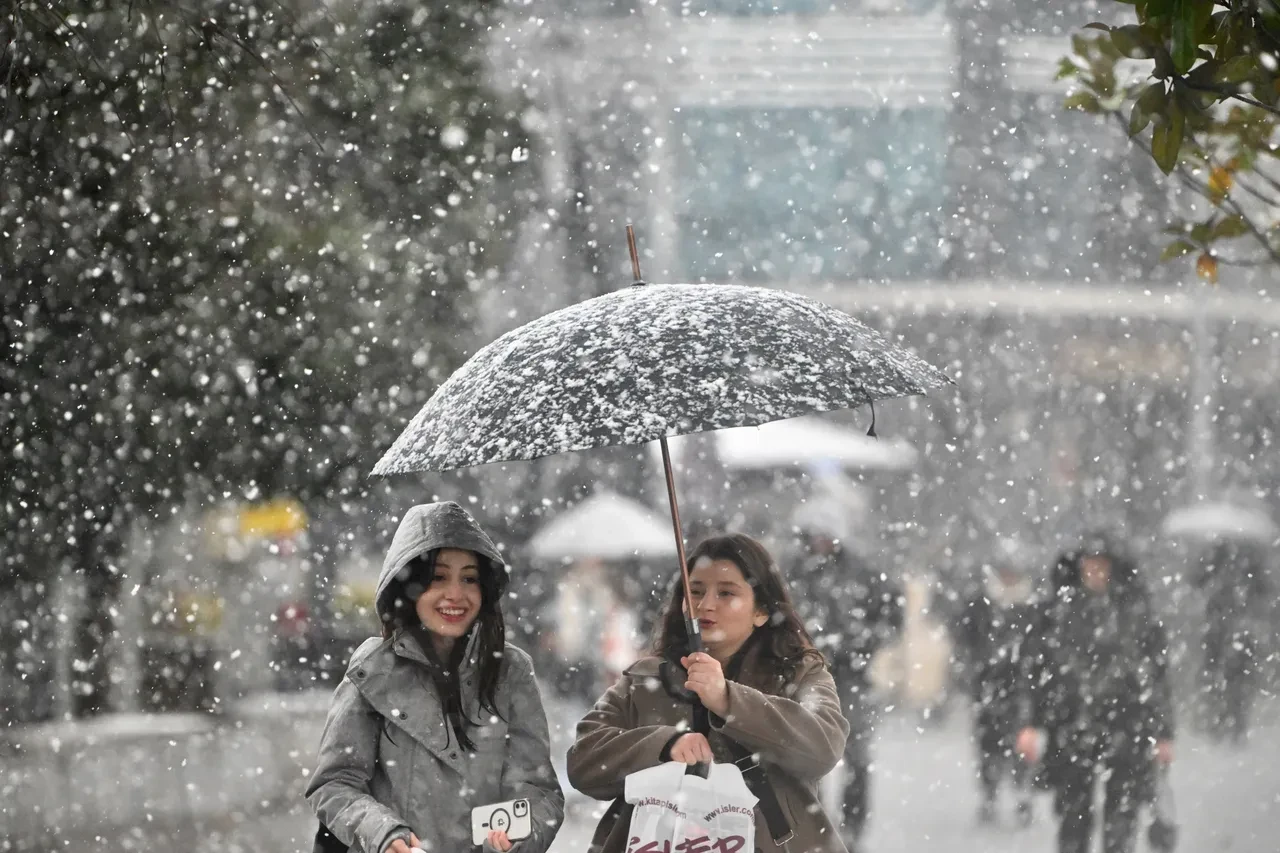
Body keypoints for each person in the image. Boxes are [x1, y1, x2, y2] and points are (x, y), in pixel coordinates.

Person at [567, 533, 851, 853]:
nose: (706, 605)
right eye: (696, 591)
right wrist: (664, 744)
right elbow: (584, 761)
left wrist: (729, 700)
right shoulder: (645, 679)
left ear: (762, 611)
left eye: (727, 592)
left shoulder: (800, 673)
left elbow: (822, 746)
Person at [306, 502, 564, 853]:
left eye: (469, 578)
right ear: (409, 587)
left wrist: (517, 840)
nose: (455, 594)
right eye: (438, 577)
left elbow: (539, 791)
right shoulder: (372, 671)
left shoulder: (511, 671)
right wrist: (384, 835)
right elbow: (335, 784)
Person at [1016, 533, 1175, 853]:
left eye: (1102, 564)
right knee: (1074, 817)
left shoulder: (1134, 612)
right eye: (1089, 564)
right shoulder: (1058, 611)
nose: (1095, 571)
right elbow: (1038, 670)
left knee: (1122, 817)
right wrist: (1032, 722)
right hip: (1073, 724)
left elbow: (1157, 675)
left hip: (1125, 725)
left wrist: (1163, 732)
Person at [789, 524, 902, 850]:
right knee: (807, 756)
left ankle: (852, 830)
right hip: (804, 678)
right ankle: (816, 825)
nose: (821, 541)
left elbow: (892, 616)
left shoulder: (863, 573)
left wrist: (863, 642)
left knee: (857, 756)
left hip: (852, 678)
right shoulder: (794, 572)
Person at [952, 546, 1038, 825]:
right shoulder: (980, 604)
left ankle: (1022, 791)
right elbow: (963, 636)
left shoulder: (1031, 605)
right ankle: (989, 794)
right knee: (988, 743)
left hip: (1021, 686)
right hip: (987, 683)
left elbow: (1042, 643)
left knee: (1022, 742)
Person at [1194, 539, 1270, 741]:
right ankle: (1227, 723)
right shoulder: (1223, 556)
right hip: (1225, 629)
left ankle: (1230, 723)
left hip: (1231, 630)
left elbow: (1262, 590)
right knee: (1228, 677)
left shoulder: (1235, 558)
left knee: (1232, 678)